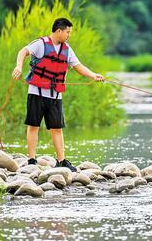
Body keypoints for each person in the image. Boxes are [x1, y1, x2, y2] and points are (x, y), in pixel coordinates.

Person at [11, 17, 104, 172]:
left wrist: (93, 75)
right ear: (59, 30)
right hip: (36, 92)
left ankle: (61, 161)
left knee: (57, 128)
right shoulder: (41, 44)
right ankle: (32, 160)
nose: (69, 35)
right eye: (67, 32)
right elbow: (23, 51)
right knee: (33, 125)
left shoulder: (67, 49)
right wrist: (19, 67)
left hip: (55, 95)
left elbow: (78, 66)